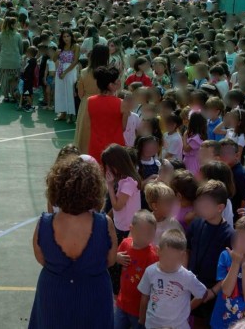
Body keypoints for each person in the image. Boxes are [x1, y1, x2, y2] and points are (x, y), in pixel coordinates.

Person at [28, 155, 116, 328]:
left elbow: (41, 259)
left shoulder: (44, 224)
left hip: (53, 295)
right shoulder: (104, 224)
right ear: (94, 190)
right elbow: (111, 260)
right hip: (94, 295)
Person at [138, 229, 209, 329]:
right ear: (158, 251)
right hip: (152, 324)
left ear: (183, 256)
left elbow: (203, 293)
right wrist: (142, 319)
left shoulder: (186, 276)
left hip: (177, 326)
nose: (170, 264)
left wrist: (188, 307)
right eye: (167, 258)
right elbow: (144, 296)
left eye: (175, 260)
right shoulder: (150, 271)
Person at [186, 180, 234, 321]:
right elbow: (187, 250)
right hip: (190, 285)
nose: (200, 207)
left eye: (205, 205)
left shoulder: (230, 235)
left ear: (220, 208)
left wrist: (213, 291)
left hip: (211, 294)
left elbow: (231, 269)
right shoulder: (196, 223)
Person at [115, 210, 158, 329]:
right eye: (143, 233)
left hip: (139, 309)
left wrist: (143, 315)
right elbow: (114, 258)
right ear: (131, 229)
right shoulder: (125, 244)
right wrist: (116, 257)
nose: (146, 237)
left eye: (150, 234)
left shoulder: (153, 256)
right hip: (122, 303)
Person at [84, 67, 128, 162]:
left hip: (95, 145)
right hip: (115, 147)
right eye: (117, 81)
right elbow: (123, 127)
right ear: (110, 85)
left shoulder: (90, 101)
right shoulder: (122, 103)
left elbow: (87, 125)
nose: (119, 82)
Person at [75, 44, 109, 152]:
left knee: (85, 132)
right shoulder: (109, 73)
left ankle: (84, 153)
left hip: (87, 103)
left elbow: (80, 93)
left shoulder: (84, 72)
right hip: (105, 103)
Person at [54, 29, 80, 123]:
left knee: (70, 92)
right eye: (64, 36)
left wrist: (65, 72)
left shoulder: (76, 46)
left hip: (70, 70)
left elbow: (75, 61)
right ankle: (63, 113)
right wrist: (56, 54)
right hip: (60, 70)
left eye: (68, 36)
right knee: (60, 92)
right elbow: (54, 59)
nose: (66, 38)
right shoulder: (60, 46)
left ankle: (70, 114)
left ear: (71, 36)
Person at [0, 17, 22, 103]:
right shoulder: (18, 35)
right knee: (14, 79)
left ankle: (6, 96)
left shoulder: (1, 34)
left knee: (4, 79)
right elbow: (21, 48)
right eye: (16, 23)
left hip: (4, 61)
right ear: (12, 25)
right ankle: (13, 95)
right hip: (15, 61)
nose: (17, 24)